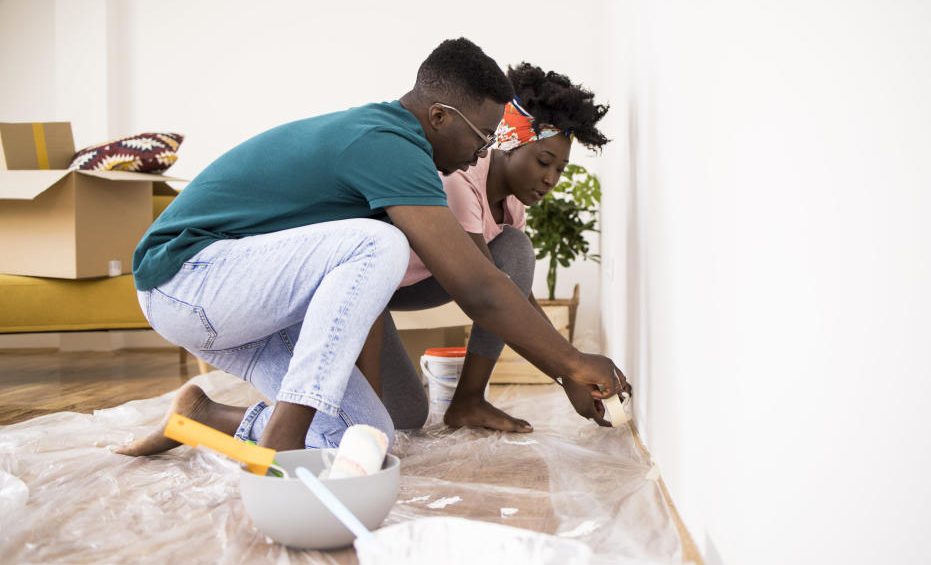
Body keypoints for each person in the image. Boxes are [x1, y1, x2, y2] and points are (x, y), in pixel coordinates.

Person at [114, 38, 628, 459]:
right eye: (482, 137)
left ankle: (199, 417)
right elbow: (477, 286)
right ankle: (282, 440)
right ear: (441, 116)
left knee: (372, 438)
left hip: (252, 308)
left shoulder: (412, 154)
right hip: (185, 279)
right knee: (380, 242)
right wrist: (574, 362)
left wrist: (567, 367)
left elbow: (371, 292)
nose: (481, 152)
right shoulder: (385, 143)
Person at [379, 62, 613, 433]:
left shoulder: (514, 202)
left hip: (425, 284)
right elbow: (491, 294)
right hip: (374, 293)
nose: (550, 179)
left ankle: (469, 400)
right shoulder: (459, 181)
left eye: (560, 169)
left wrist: (568, 375)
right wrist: (571, 366)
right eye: (543, 161)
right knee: (406, 417)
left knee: (515, 249)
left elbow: (515, 293)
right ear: (506, 144)